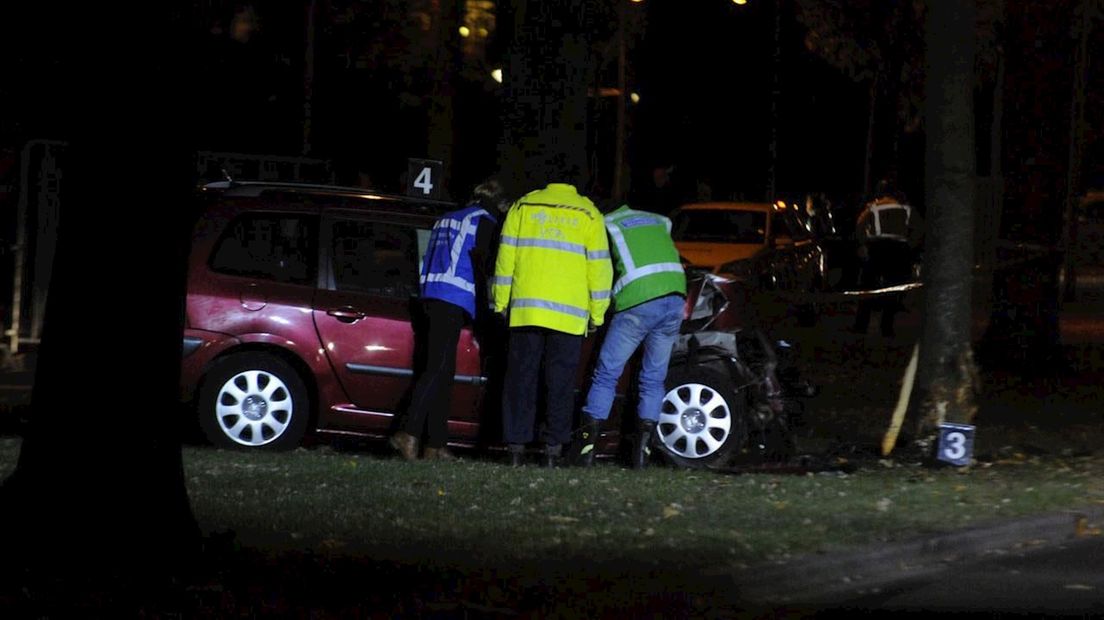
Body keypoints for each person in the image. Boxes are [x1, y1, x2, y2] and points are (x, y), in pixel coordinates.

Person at [493, 180, 613, 467]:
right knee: (560, 384)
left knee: (521, 380)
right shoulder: (589, 213)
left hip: (526, 311)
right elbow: (599, 268)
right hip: (569, 317)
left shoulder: (523, 206)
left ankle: (516, 448)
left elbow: (505, 257)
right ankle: (552, 448)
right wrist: (597, 313)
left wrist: (500, 302)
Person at [389, 179, 509, 461]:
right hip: (453, 299)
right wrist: (485, 311)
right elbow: (480, 265)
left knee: (442, 372)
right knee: (436, 369)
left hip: (430, 296)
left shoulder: (449, 217)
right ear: (500, 204)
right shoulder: (485, 221)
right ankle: (407, 432)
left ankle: (435, 444)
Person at [571, 203, 687, 469]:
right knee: (654, 378)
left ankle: (585, 451)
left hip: (639, 299)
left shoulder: (606, 223)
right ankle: (641, 456)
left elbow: (600, 267)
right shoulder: (658, 218)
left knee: (606, 374)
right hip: (675, 297)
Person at [850, 180, 923, 338]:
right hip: (899, 250)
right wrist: (909, 246)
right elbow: (918, 230)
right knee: (894, 289)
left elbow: (860, 227)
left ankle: (861, 325)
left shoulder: (873, 208)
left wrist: (863, 245)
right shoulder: (907, 209)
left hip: (877, 248)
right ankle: (887, 327)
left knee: (867, 288)